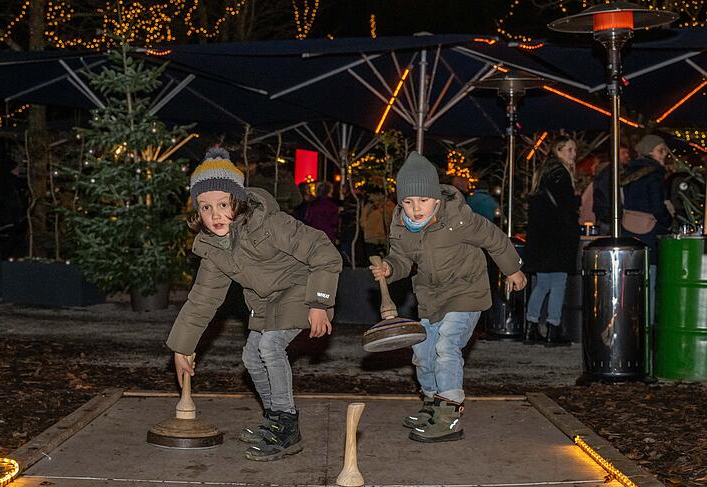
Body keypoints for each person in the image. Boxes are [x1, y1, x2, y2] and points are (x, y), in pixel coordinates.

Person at [167, 148, 342, 461]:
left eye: (223, 204)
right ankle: (275, 418)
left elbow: (323, 251)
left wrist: (319, 303)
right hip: (264, 301)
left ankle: (287, 425)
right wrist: (183, 347)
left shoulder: (269, 224)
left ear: (238, 200)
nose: (215, 215)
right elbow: (203, 299)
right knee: (251, 357)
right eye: (206, 208)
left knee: (271, 347)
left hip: (301, 288)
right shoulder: (213, 248)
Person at [370, 152, 526, 443]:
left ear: (436, 199)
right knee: (423, 352)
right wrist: (390, 268)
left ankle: (449, 414)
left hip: (467, 292)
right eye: (408, 201)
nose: (416, 209)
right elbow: (401, 259)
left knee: (446, 345)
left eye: (423, 201)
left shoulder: (459, 219)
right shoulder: (401, 226)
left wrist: (512, 269)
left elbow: (493, 238)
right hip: (431, 297)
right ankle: (433, 403)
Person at [524, 135, 580, 345]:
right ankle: (553, 327)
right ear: (558, 150)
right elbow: (565, 208)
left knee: (543, 283)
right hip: (557, 236)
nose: (573, 154)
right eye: (569, 150)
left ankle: (531, 325)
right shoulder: (561, 174)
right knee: (558, 282)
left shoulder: (544, 172)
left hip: (541, 237)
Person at [622, 134, 672, 323]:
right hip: (650, 232)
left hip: (629, 230)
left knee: (633, 281)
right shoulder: (654, 174)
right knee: (650, 280)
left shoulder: (631, 172)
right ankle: (647, 326)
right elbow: (657, 207)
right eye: (661, 150)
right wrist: (667, 221)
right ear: (650, 151)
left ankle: (631, 323)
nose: (664, 154)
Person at [589, 145, 632, 234]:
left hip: (610, 215)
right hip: (608, 217)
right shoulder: (608, 173)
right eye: (623, 153)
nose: (627, 155)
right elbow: (604, 194)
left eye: (627, 153)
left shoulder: (620, 171)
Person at [359, 186, 395, 258]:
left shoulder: (388, 205)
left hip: (383, 238)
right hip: (370, 238)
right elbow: (362, 219)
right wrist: (366, 226)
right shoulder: (369, 206)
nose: (370, 196)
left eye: (372, 194)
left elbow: (391, 220)